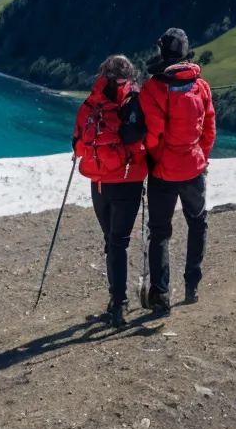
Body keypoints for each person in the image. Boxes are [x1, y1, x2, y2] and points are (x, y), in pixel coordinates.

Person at [136, 27, 215, 314]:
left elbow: (153, 134)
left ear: (162, 51)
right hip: (193, 168)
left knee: (159, 232)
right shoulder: (201, 86)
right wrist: (199, 157)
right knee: (198, 223)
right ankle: (192, 285)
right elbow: (209, 128)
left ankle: (161, 294)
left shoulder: (153, 88)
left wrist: (156, 158)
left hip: (163, 172)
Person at [72, 54, 150, 327]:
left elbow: (78, 145)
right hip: (129, 181)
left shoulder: (91, 104)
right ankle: (120, 305)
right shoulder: (138, 101)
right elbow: (148, 138)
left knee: (110, 240)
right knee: (119, 241)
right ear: (131, 75)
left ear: (102, 75)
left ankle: (116, 301)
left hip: (100, 183)